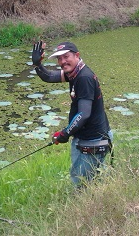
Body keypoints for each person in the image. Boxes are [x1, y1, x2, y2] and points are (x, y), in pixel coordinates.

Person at [32, 40, 113, 187]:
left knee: (81, 185)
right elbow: (49, 76)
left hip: (93, 140)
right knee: (93, 181)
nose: (62, 61)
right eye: (59, 58)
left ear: (77, 55)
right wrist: (37, 65)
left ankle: (87, 209)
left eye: (66, 56)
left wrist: (65, 133)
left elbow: (84, 114)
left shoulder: (84, 78)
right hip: (87, 137)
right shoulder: (74, 73)